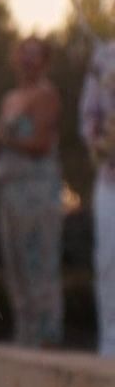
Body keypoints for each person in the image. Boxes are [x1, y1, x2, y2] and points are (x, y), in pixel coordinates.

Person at [0, 37, 64, 348]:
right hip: (9, 188)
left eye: (36, 55)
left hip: (37, 189)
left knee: (40, 262)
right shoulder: (9, 98)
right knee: (16, 263)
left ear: (45, 62)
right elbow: (6, 142)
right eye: (25, 53)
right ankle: (25, 334)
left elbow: (41, 144)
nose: (28, 60)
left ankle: (47, 335)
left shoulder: (46, 95)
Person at [81, 35, 115, 357]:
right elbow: (88, 116)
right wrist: (100, 143)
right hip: (110, 180)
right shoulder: (103, 57)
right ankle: (110, 346)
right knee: (108, 263)